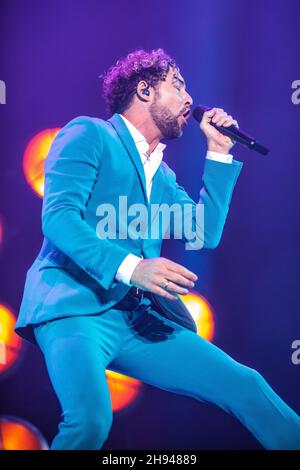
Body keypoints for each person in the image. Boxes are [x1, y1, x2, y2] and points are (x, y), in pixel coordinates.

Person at [15, 48, 300, 450]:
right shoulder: (89, 134)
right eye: (178, 85)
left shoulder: (161, 174)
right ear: (145, 90)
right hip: (73, 308)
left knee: (246, 385)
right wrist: (132, 268)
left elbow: (203, 234)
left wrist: (218, 152)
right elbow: (59, 218)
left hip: (135, 318)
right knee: (90, 421)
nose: (189, 99)